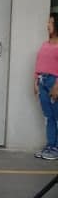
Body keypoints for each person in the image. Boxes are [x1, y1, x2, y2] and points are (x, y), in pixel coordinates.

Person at [35, 13, 58, 160]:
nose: (47, 25)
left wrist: (57, 86)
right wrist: (35, 82)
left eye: (50, 22)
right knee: (48, 116)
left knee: (57, 117)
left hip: (54, 82)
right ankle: (50, 146)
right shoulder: (45, 44)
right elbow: (39, 63)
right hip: (42, 81)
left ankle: (56, 148)